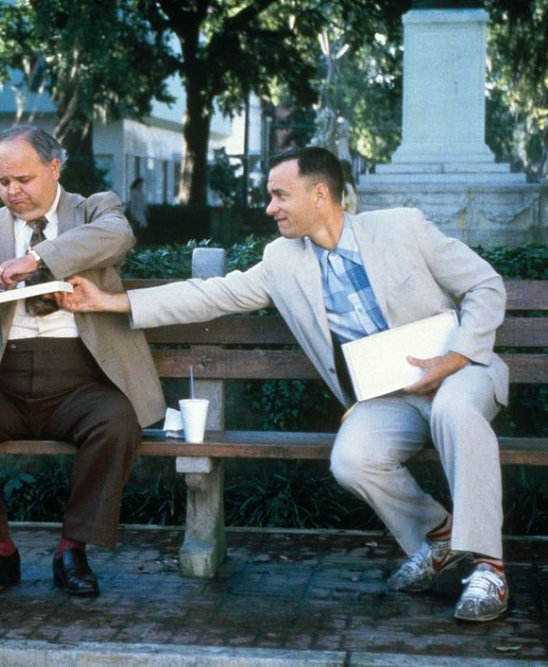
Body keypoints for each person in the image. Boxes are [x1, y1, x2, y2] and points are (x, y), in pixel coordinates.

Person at [58, 146, 510, 622]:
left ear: (319, 194)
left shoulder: (403, 227)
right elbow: (211, 295)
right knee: (353, 459)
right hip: (388, 397)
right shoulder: (281, 261)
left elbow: (485, 285)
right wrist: (110, 302)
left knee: (453, 412)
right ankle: (439, 535)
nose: (269, 207)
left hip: (459, 373)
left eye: (279, 195)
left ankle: (490, 567)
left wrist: (454, 356)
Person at [0, 124, 165, 597]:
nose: (12, 192)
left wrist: (34, 260)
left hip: (83, 380)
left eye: (24, 179)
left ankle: (73, 548)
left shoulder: (95, 209)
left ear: (54, 169)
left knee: (118, 423)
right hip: (1, 381)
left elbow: (117, 237)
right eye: (2, 181)